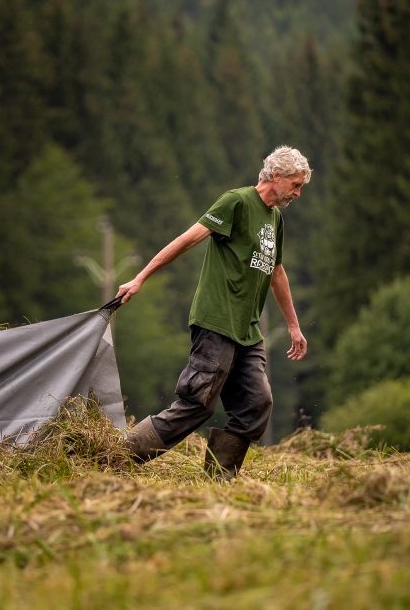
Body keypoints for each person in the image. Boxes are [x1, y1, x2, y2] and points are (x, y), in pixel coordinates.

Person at [116, 146, 311, 480]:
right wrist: (140, 277)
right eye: (295, 185)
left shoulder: (275, 219)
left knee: (256, 405)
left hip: (248, 332)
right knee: (198, 404)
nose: (297, 193)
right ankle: (117, 455)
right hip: (217, 322)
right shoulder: (236, 202)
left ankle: (219, 479)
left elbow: (276, 272)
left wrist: (294, 326)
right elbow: (187, 240)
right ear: (276, 176)